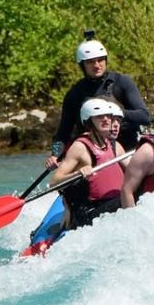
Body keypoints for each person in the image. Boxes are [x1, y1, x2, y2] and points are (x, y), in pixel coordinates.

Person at [46, 36, 151, 168]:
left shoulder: (122, 82)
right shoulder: (75, 94)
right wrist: (55, 155)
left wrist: (116, 113)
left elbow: (145, 117)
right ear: (82, 65)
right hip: (94, 154)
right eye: (90, 62)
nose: (96, 65)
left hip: (126, 148)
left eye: (100, 60)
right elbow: (63, 132)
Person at [50, 98, 128, 231]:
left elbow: (135, 170)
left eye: (108, 116)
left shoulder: (115, 145)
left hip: (112, 203)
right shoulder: (80, 147)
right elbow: (54, 182)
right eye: (99, 117)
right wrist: (78, 173)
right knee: (125, 199)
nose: (105, 120)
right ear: (89, 121)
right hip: (89, 211)